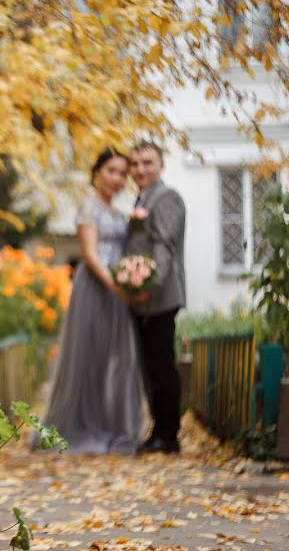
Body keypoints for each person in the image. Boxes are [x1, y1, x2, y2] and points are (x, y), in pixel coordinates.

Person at [35, 149, 144, 454]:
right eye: (112, 170)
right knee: (90, 355)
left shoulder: (117, 211)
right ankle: (80, 425)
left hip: (117, 290)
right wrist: (115, 287)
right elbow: (91, 254)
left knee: (119, 359)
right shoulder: (88, 207)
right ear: (96, 172)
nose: (118, 178)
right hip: (95, 288)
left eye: (123, 173)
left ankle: (115, 425)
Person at [125, 141, 186, 454]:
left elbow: (164, 247)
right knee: (151, 367)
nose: (140, 169)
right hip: (144, 297)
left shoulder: (166, 198)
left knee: (162, 366)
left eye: (147, 162)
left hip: (160, 297)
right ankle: (159, 431)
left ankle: (168, 434)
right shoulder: (142, 197)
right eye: (134, 164)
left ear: (161, 165)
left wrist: (151, 285)